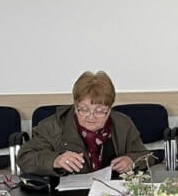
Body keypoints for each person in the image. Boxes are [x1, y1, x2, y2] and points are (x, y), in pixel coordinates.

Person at [18, 71, 150, 176]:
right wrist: (55, 160)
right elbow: (25, 158)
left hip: (112, 193)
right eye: (84, 109)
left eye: (99, 111)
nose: (91, 117)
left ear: (109, 109)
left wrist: (131, 161)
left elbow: (147, 156)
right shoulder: (53, 126)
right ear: (75, 106)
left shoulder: (123, 124)